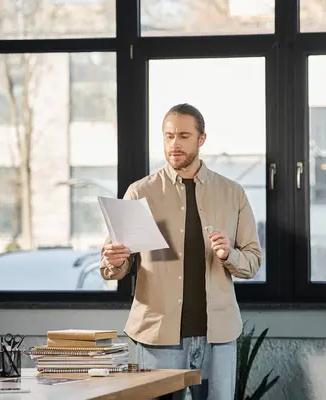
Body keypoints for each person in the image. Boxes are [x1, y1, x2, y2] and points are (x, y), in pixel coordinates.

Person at [99, 103, 262, 400]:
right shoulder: (140, 192)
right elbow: (114, 267)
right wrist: (114, 261)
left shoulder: (232, 192)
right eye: (169, 136)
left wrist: (229, 255)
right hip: (157, 336)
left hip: (218, 336)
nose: (175, 144)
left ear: (201, 140)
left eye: (184, 136)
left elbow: (252, 263)